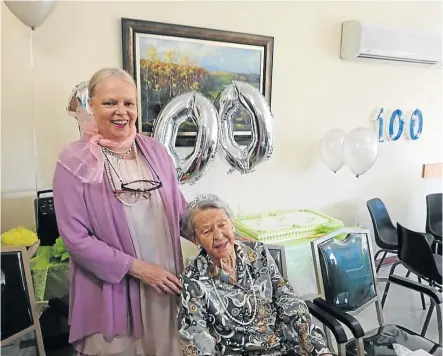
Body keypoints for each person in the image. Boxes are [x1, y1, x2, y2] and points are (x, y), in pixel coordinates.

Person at [53, 67, 188, 356]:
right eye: (110, 103)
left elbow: (178, 209)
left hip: (163, 285)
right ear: (91, 105)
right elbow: (76, 240)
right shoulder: (72, 162)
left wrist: (216, 228)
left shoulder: (156, 151)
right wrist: (139, 269)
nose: (121, 112)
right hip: (113, 291)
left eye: (129, 103)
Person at [178, 194, 334, 356]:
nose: (218, 235)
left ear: (232, 224)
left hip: (283, 348)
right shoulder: (192, 279)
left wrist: (320, 349)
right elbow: (195, 333)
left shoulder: (258, 253)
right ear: (196, 240)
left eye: (222, 224)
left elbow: (289, 301)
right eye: (207, 231)